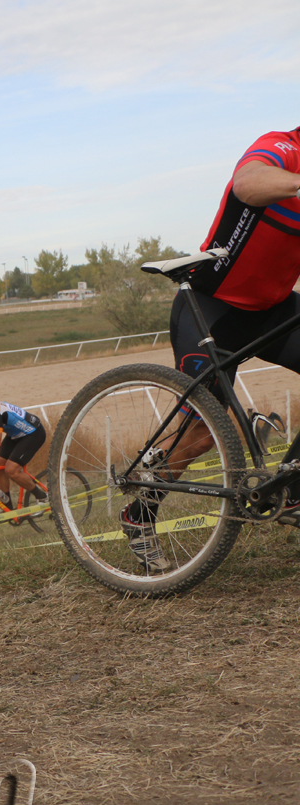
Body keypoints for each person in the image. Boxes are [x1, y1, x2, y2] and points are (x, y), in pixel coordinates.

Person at [119, 126, 300, 571]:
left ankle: (292, 492)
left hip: (272, 310)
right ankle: (139, 513)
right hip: (211, 306)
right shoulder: (283, 146)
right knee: (205, 430)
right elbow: (247, 183)